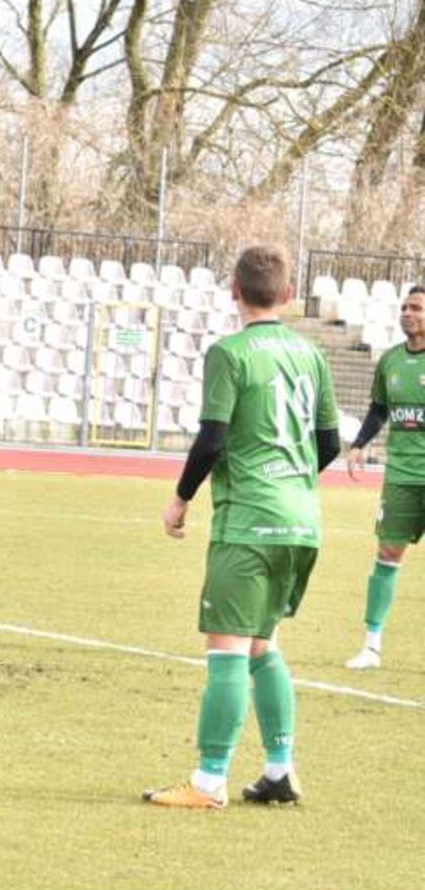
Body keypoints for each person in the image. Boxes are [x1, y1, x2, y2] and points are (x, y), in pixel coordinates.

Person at [147, 244, 339, 809]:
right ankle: (280, 769)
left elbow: (212, 438)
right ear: (286, 294)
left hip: (250, 521)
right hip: (301, 520)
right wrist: (291, 480)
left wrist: (181, 498)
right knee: (264, 644)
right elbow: (327, 442)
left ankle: (209, 781)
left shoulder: (229, 354)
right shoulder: (311, 354)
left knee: (227, 649)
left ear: (234, 290)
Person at [342, 284, 425, 671]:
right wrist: (359, 444)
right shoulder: (391, 361)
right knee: (387, 554)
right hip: (402, 476)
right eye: (405, 307)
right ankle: (372, 646)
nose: (408, 313)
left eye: (417, 308)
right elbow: (379, 409)